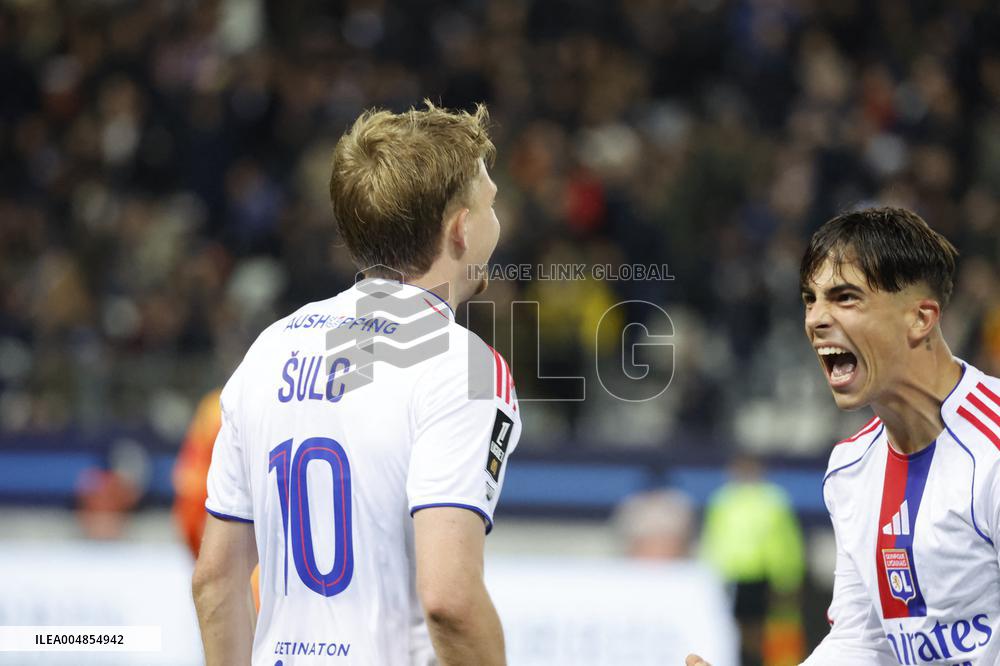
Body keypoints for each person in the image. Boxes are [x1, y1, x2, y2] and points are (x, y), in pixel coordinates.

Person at [192, 101, 520, 666]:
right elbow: (450, 602)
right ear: (461, 229)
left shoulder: (271, 347)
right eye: (491, 204)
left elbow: (215, 582)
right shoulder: (461, 365)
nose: (499, 221)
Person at [691, 205, 1000, 666]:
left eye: (845, 297)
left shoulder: (992, 448)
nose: (815, 319)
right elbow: (863, 641)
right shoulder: (850, 468)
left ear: (921, 318)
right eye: (810, 299)